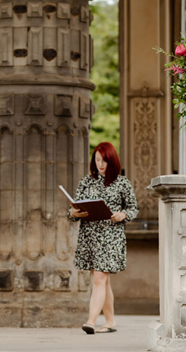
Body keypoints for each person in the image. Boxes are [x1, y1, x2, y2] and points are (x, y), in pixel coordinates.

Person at [68, 142, 139, 334]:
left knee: (99, 278)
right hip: (89, 236)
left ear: (112, 161)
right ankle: (110, 322)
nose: (100, 165)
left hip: (111, 236)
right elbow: (73, 209)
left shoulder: (122, 182)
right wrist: (74, 214)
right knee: (103, 280)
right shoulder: (85, 182)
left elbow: (133, 208)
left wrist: (123, 215)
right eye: (97, 160)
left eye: (104, 161)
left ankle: (90, 321)